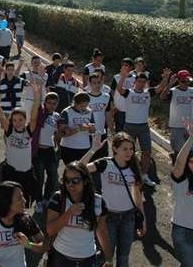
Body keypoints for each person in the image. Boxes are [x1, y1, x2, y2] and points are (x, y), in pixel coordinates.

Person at [80, 133, 146, 267]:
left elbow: (137, 195)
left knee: (123, 257)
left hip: (128, 217)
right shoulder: (105, 163)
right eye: (125, 149)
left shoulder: (134, 167)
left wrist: (143, 219)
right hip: (107, 217)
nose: (129, 152)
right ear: (115, 149)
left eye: (131, 149)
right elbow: (78, 169)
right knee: (104, 255)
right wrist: (93, 150)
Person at [46, 162, 113, 267]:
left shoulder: (98, 202)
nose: (70, 184)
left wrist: (109, 259)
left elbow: (102, 231)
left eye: (75, 181)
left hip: (87, 259)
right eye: (67, 180)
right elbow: (50, 230)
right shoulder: (58, 199)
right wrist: (68, 214)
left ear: (85, 181)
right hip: (61, 258)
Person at [116, 65, 171, 187]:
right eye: (139, 81)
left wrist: (166, 78)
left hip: (144, 126)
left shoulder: (148, 93)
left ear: (146, 83)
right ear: (135, 82)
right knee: (128, 151)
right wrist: (123, 77)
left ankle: (144, 175)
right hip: (130, 126)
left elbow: (161, 87)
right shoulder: (129, 93)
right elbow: (119, 89)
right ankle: (128, 173)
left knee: (146, 152)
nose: (141, 84)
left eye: (143, 82)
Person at [0, 181, 47, 267]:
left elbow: (45, 246)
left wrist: (29, 245)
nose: (25, 201)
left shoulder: (26, 219)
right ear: (6, 202)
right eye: (19, 198)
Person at [0, 82, 40, 206]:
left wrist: (36, 98)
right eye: (15, 120)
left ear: (25, 120)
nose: (18, 123)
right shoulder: (10, 131)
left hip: (26, 173)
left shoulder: (28, 131)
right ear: (11, 121)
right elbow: (1, 116)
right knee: (8, 202)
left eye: (21, 120)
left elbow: (34, 116)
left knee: (23, 202)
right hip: (11, 173)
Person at [32, 91, 61, 214]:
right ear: (45, 103)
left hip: (50, 150)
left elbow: (57, 134)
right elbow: (36, 103)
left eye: (54, 103)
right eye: (49, 103)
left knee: (53, 176)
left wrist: (59, 147)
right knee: (39, 178)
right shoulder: (40, 112)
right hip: (38, 150)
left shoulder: (57, 116)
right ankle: (38, 201)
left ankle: (47, 198)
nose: (51, 106)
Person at [172, 118, 193, 266]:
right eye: (192, 161)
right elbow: (179, 162)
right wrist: (191, 138)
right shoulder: (181, 180)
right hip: (182, 231)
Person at [160, 70, 193, 161]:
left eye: (188, 81)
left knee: (190, 151)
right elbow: (162, 97)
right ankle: (176, 167)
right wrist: (170, 84)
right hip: (176, 125)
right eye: (183, 81)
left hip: (190, 126)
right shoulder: (173, 91)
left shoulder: (192, 91)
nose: (186, 83)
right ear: (178, 80)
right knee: (178, 150)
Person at [57, 92, 96, 165]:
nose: (84, 108)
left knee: (83, 172)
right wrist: (78, 129)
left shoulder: (89, 111)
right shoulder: (67, 112)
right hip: (69, 147)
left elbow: (93, 130)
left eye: (86, 106)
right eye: (81, 106)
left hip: (85, 146)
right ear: (74, 103)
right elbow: (61, 133)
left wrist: (91, 128)